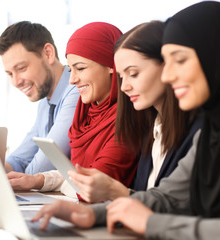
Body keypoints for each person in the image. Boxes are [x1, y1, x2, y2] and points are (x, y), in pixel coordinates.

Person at [31, 1, 220, 239]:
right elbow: (168, 198)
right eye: (122, 76)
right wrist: (96, 215)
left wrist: (149, 222)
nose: (169, 74)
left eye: (180, 60)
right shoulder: (208, 133)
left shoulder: (195, 129)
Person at [63, 20, 202, 203]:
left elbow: (170, 206)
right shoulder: (153, 128)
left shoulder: (197, 131)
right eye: (122, 77)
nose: (124, 87)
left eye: (133, 74)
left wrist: (116, 194)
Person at [7, 22, 138, 199]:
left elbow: (91, 187)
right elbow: (77, 175)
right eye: (71, 70)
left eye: (81, 68)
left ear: (111, 65)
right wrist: (38, 180)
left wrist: (50, 180)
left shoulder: (128, 118)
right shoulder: (86, 113)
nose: (72, 80)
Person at [0, 21, 79, 174]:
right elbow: (21, 158)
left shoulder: (76, 91)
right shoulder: (46, 100)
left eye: (21, 68)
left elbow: (43, 166)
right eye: (10, 74)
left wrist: (10, 179)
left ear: (48, 53)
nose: (15, 82)